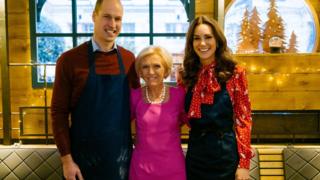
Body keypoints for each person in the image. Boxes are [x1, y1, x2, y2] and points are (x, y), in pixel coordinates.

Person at [51, 0, 140, 179]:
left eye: (118, 19)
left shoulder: (130, 59)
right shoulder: (68, 60)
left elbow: (137, 108)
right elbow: (58, 113)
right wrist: (67, 161)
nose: (113, 24)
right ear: (94, 16)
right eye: (107, 17)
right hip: (81, 163)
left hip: (120, 162)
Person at [182, 15, 253, 180]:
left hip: (225, 155)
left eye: (208, 37)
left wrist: (244, 164)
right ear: (191, 44)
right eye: (197, 38)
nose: (202, 43)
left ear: (218, 40)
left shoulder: (235, 73)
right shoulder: (186, 75)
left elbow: (243, 119)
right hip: (196, 154)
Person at [129, 46, 186, 180]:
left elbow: (191, 121)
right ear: (140, 72)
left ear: (166, 70)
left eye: (157, 66)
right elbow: (120, 126)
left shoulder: (179, 95)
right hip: (141, 170)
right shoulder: (133, 96)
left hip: (173, 168)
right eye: (145, 67)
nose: (151, 72)